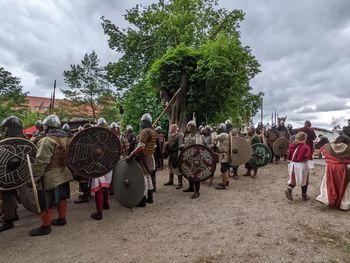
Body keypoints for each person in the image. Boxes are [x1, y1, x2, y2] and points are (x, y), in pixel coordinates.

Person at [30, 114, 73, 236]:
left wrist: (35, 175)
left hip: (50, 177)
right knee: (62, 197)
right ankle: (61, 219)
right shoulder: (67, 138)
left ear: (48, 127)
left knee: (47, 202)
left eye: (44, 126)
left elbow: (41, 161)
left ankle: (45, 227)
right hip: (64, 173)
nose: (43, 128)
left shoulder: (46, 140)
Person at [126, 113, 158, 207]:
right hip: (150, 157)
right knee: (148, 177)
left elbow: (141, 147)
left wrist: (131, 156)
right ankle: (150, 198)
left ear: (143, 122)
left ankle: (142, 200)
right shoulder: (153, 132)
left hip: (143, 157)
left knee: (143, 178)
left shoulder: (144, 132)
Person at [0, 116, 24, 232]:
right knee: (11, 193)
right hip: (17, 174)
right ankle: (13, 214)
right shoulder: (23, 140)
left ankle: (8, 220)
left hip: (11, 173)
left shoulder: (14, 142)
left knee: (7, 194)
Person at [316, 136, 350, 210]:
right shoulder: (348, 148)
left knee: (329, 183)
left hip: (330, 167)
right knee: (345, 185)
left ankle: (326, 199)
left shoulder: (328, 146)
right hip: (343, 168)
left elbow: (323, 152)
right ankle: (344, 205)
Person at [89, 118, 112, 220]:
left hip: (98, 165)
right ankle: (106, 204)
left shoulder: (95, 139)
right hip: (108, 165)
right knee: (106, 185)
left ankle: (99, 213)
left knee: (98, 188)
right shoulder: (111, 137)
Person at [285, 132, 311, 202]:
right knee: (305, 180)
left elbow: (289, 156)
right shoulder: (306, 147)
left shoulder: (292, 145)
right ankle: (304, 195)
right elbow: (306, 158)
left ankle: (289, 189)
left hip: (293, 164)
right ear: (304, 138)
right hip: (301, 165)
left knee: (294, 179)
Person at [181, 121, 204, 198]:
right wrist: (183, 146)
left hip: (196, 159)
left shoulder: (197, 136)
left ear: (193, 127)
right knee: (189, 172)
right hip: (189, 157)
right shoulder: (189, 135)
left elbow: (199, 148)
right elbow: (188, 145)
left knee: (196, 174)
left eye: (189, 126)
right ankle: (191, 187)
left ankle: (197, 192)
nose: (187, 128)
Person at [164, 124, 184, 189]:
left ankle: (180, 183)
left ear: (174, 128)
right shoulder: (170, 135)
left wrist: (179, 156)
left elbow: (180, 146)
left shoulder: (179, 135)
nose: (170, 129)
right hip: (170, 153)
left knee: (177, 168)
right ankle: (171, 181)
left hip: (175, 154)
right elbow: (170, 142)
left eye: (171, 128)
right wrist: (167, 144)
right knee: (170, 167)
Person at [213, 123, 230, 190]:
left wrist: (215, 133)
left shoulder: (223, 134)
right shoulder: (227, 134)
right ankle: (227, 181)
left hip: (224, 154)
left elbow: (216, 138)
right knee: (226, 168)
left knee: (223, 169)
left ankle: (224, 184)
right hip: (226, 154)